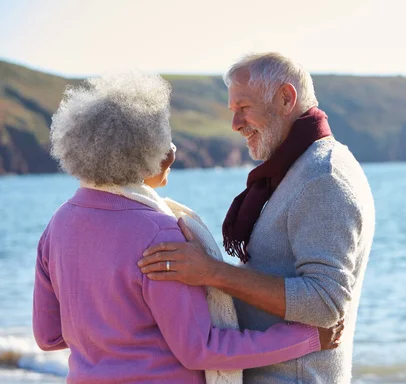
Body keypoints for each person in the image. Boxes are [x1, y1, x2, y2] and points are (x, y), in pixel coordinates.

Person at [32, 72, 342, 384]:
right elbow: (202, 349)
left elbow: (47, 336)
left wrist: (107, 333)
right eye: (163, 136)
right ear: (144, 147)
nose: (173, 149)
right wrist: (310, 337)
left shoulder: (56, 226)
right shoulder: (160, 234)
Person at [138, 52, 376, 383]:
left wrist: (211, 272)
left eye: (244, 108)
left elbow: (326, 303)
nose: (235, 124)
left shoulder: (324, 177)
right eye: (233, 111)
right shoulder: (296, 170)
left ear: (285, 98)